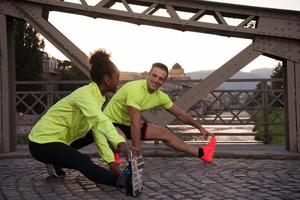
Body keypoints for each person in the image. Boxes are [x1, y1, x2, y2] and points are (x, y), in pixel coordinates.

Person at [28, 49, 135, 194]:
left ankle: (55, 161)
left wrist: (111, 163)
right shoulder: (85, 95)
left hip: (59, 140)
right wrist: (121, 144)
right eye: (117, 77)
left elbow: (98, 131)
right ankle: (120, 182)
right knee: (82, 161)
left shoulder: (97, 98)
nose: (118, 81)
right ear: (106, 79)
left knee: (94, 132)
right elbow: (101, 120)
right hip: (40, 143)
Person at [104, 62, 216, 164]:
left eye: (161, 79)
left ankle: (203, 153)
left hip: (127, 123)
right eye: (154, 76)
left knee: (165, 134)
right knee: (121, 139)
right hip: (109, 122)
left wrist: (200, 127)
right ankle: (114, 154)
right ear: (148, 75)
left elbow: (180, 114)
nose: (156, 80)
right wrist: (137, 152)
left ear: (163, 82)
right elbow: (135, 124)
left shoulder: (161, 97)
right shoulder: (136, 89)